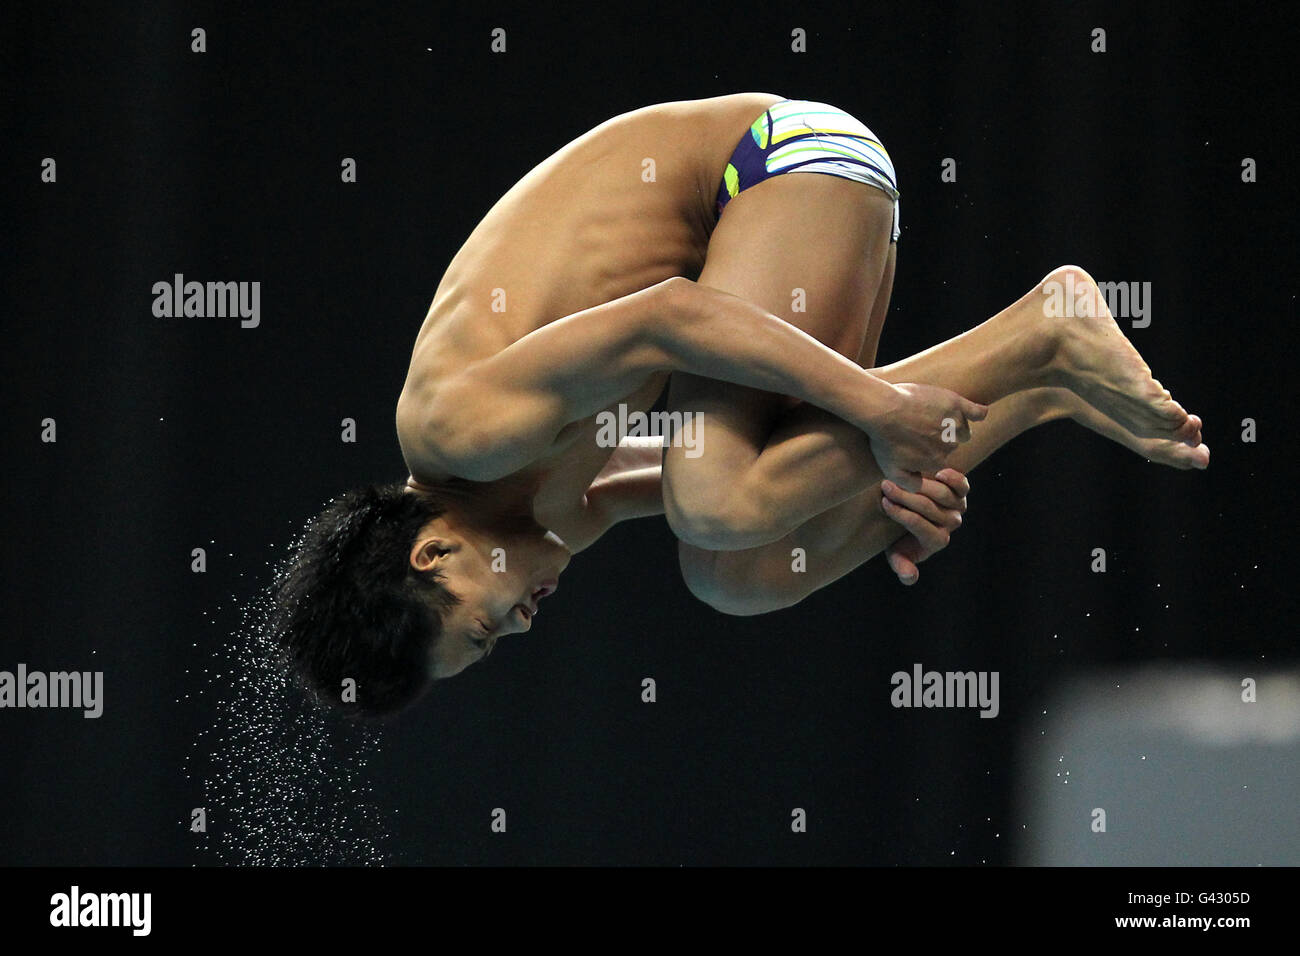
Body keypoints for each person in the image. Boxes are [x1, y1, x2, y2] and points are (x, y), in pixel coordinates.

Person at [273, 94, 1206, 716]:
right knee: (736, 573)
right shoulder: (541, 522)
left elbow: (667, 317)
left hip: (776, 165)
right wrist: (887, 496)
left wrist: (880, 410)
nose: (521, 626)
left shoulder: (454, 429)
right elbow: (757, 484)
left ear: (433, 551)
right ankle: (1033, 392)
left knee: (715, 504)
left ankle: (1043, 330)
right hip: (791, 222)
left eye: (484, 625)